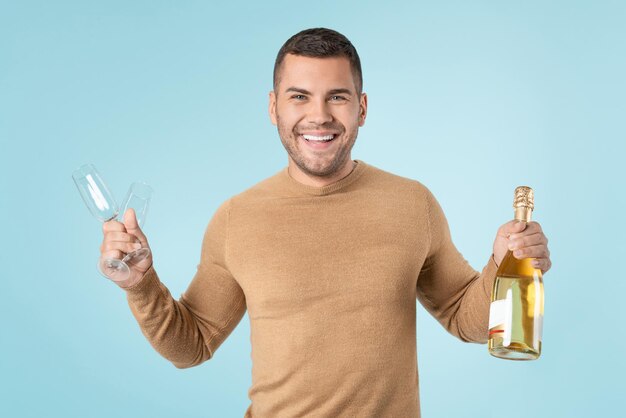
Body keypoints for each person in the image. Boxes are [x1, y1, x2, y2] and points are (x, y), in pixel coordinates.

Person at [100, 28, 551, 417]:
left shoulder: (413, 203)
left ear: (362, 108)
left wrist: (503, 266)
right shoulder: (237, 218)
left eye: (337, 96)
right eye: (300, 97)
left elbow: (462, 316)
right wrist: (141, 285)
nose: (319, 115)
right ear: (274, 107)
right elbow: (192, 343)